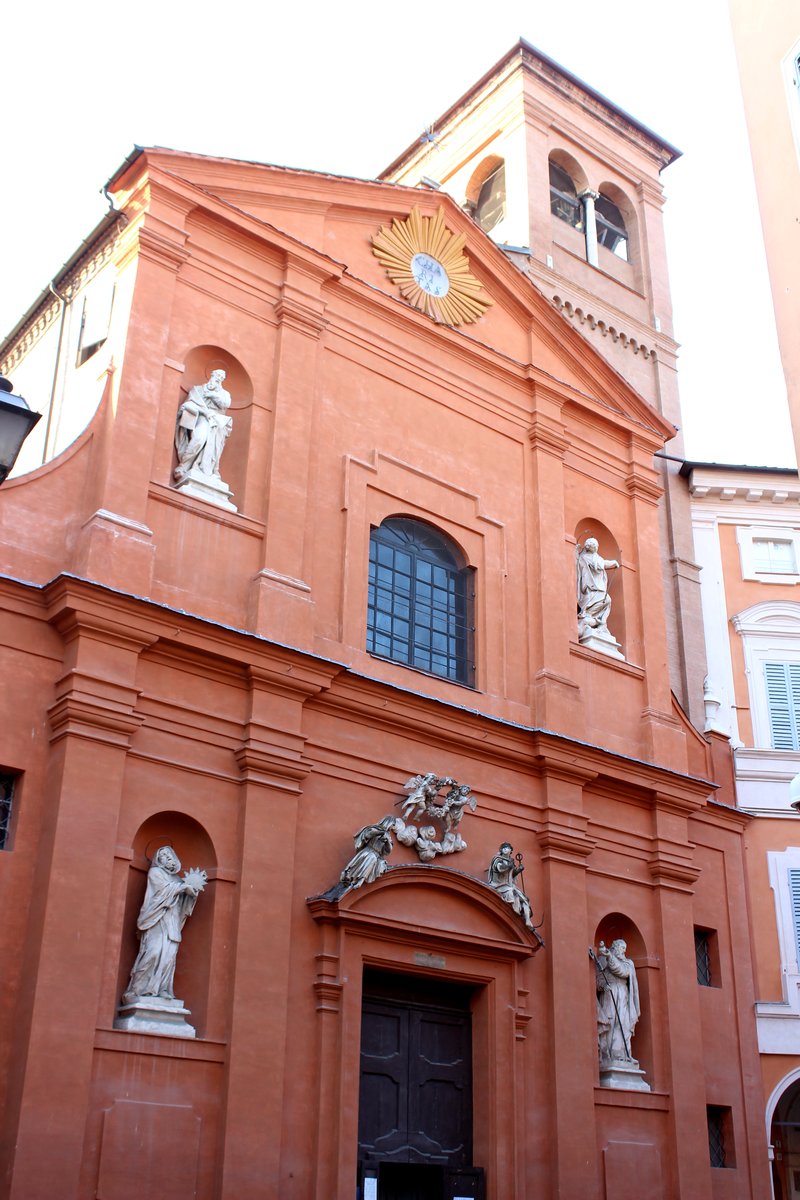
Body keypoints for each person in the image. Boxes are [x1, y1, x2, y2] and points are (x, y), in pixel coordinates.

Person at [122, 847, 205, 1004]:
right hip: (156, 919)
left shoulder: (178, 880)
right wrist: (182, 888)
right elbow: (161, 891)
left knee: (168, 956)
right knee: (153, 952)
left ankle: (163, 989)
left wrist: (191, 894)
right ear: (158, 859)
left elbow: (184, 905)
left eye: (169, 855)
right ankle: (138, 989)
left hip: (172, 921)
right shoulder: (155, 873)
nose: (167, 857)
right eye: (163, 855)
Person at [174, 368, 233, 480]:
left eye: (221, 378)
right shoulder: (198, 390)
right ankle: (184, 465)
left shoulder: (224, 394)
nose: (218, 379)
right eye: (217, 375)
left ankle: (207, 469)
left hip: (217, 421)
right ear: (212, 375)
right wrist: (204, 412)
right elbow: (189, 403)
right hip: (201, 417)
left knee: (213, 445)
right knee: (199, 438)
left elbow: (225, 404)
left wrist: (213, 395)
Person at [594, 939, 640, 1064]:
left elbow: (622, 971)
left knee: (624, 1023)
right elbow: (598, 979)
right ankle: (609, 1055)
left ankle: (623, 1054)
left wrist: (609, 956)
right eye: (622, 948)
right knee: (610, 1022)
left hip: (623, 995)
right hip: (609, 994)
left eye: (625, 949)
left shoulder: (628, 963)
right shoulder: (603, 960)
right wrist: (603, 986)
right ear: (615, 947)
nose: (624, 951)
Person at [576, 537, 619, 639]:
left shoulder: (594, 557)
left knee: (606, 600)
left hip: (596, 586)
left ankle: (597, 621)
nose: (596, 548)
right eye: (594, 546)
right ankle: (588, 616)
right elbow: (601, 564)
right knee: (606, 599)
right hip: (591, 587)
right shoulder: (586, 557)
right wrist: (613, 562)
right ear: (590, 547)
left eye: (596, 546)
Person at [487, 842, 534, 930]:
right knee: (512, 893)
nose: (505, 849)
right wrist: (509, 866)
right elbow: (499, 868)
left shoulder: (510, 861)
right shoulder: (497, 859)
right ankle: (516, 909)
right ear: (501, 850)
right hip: (498, 885)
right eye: (503, 848)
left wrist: (519, 870)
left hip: (508, 885)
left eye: (507, 848)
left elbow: (511, 874)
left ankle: (528, 920)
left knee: (525, 899)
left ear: (511, 851)